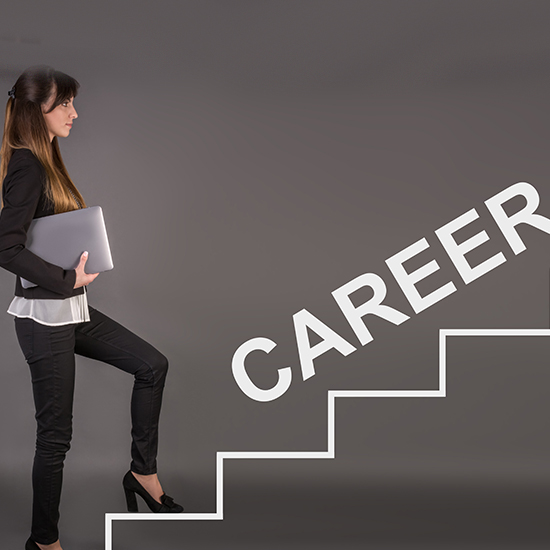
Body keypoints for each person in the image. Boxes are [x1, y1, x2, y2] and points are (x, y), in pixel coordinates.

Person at [0, 65, 183, 550]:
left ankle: (142, 474)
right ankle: (44, 542)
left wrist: (73, 276)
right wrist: (66, 279)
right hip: (45, 319)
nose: (74, 113)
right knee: (55, 438)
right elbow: (5, 247)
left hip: (71, 311)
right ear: (37, 111)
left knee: (152, 365)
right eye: (65, 104)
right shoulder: (27, 165)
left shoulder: (46, 160)